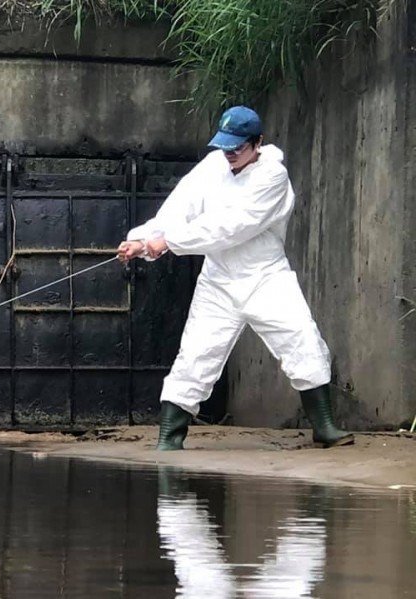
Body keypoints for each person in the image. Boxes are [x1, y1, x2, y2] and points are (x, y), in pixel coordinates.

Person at [117, 105, 353, 451]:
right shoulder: (214, 166)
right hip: (219, 279)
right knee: (196, 354)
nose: (229, 154)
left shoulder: (273, 176)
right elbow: (179, 207)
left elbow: (231, 227)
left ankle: (325, 425)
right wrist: (143, 240)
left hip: (266, 276)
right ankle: (169, 438)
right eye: (224, 146)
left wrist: (168, 242)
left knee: (301, 338)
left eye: (237, 147)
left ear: (258, 143)